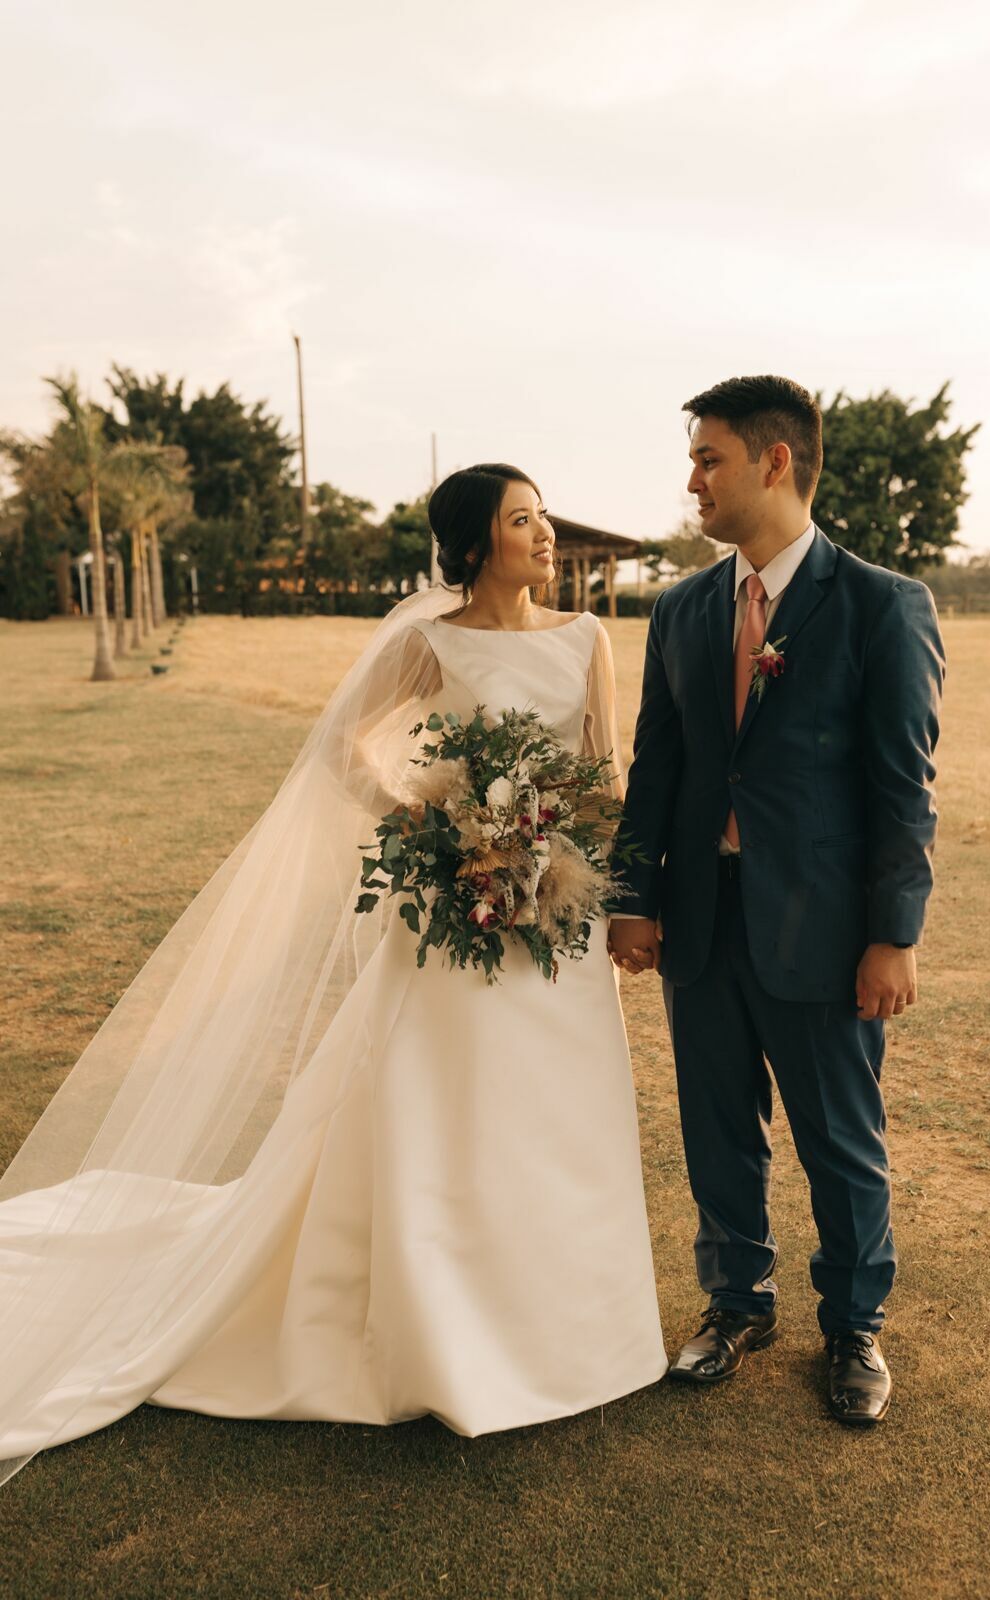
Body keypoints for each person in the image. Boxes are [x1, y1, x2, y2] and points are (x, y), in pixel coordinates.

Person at [0, 464, 666, 1485]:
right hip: (450, 912)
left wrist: (573, 863)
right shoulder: (428, 640)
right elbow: (338, 745)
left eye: (540, 515)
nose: (542, 533)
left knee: (558, 1109)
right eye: (521, 519)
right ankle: (436, 1321)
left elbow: (602, 771)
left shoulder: (589, 638)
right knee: (441, 1102)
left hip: (554, 917)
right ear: (478, 542)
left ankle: (569, 1325)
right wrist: (428, 823)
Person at [608, 376, 945, 1425]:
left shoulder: (882, 605)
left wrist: (892, 934)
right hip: (702, 916)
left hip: (825, 928)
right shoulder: (684, 608)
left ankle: (852, 1325)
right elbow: (654, 766)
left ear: (773, 461)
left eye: (707, 458)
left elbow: (901, 785)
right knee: (716, 1127)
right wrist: (632, 895)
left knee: (837, 1137)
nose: (692, 480)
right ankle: (733, 1304)